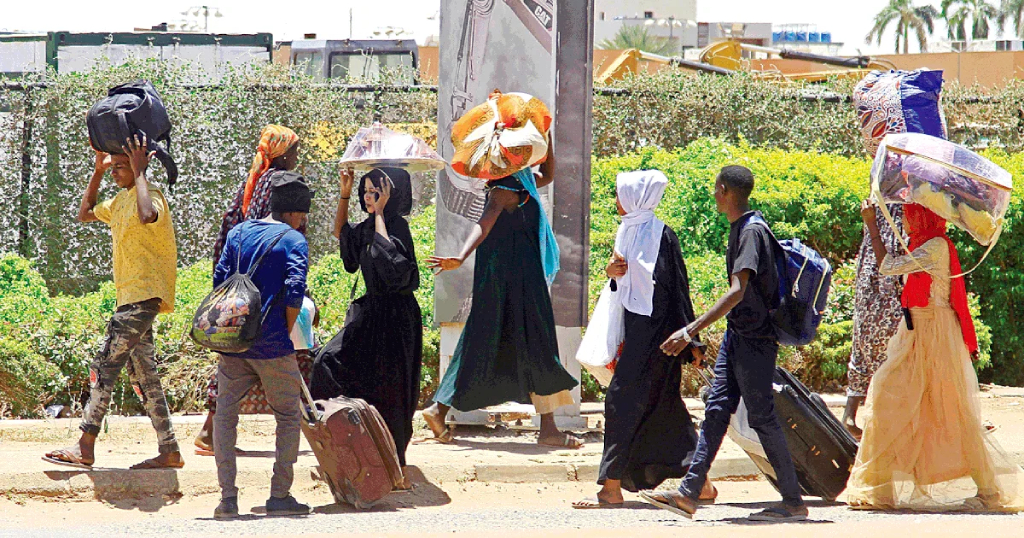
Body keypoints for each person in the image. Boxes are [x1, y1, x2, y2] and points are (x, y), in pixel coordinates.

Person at [641, 165, 807, 521]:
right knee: (716, 411)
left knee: (762, 416)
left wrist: (690, 330)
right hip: (739, 337)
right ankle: (688, 494)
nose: (713, 194)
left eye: (715, 190)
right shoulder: (743, 227)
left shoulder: (750, 231)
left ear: (723, 190)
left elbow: (737, 291)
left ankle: (793, 501)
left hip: (755, 340)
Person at [846, 201, 1024, 511]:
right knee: (890, 400)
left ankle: (989, 491)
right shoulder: (920, 243)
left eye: (913, 214)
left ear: (926, 216)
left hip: (936, 334)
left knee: (953, 412)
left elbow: (888, 266)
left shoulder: (937, 246)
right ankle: (879, 490)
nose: (908, 219)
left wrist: (872, 224)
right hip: (915, 331)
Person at [572, 170, 715, 509]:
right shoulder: (628, 231)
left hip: (660, 339)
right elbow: (622, 288)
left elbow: (678, 291)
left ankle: (610, 488)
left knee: (620, 403)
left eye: (621, 196)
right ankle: (702, 484)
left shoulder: (662, 236)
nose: (617, 203)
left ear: (637, 198)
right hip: (636, 332)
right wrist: (612, 275)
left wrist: (691, 341)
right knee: (665, 408)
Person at [43, 136, 183, 471]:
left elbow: (148, 214)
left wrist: (139, 173)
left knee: (103, 366)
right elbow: (85, 213)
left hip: (144, 297)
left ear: (138, 165)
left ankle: (85, 445)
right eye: (115, 167)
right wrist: (97, 172)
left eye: (122, 167)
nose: (116, 172)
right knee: (144, 376)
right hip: (129, 299)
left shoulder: (151, 197)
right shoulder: (119, 201)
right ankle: (170, 449)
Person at [423, 155, 582, 449]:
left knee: (486, 342)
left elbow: (547, 173)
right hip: (512, 283)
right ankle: (548, 430)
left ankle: (439, 410)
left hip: (516, 281)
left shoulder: (521, 182)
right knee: (538, 345)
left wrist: (544, 134)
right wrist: (460, 255)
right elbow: (484, 224)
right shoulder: (504, 188)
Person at [309, 167, 422, 478]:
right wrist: (345, 193)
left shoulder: (398, 227)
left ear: (392, 194)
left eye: (377, 191)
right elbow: (342, 235)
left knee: (392, 390)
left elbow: (396, 268)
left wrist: (382, 215)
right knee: (327, 362)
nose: (369, 197)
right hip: (370, 315)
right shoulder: (365, 226)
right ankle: (343, 449)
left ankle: (395, 464)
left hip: (397, 320)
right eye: (367, 191)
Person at [211, 173, 313, 519]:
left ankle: (227, 500)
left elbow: (219, 280)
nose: (303, 221)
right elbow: (295, 292)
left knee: (225, 416)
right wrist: (281, 334)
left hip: (233, 344)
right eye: (303, 215)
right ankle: (279, 495)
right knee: (287, 417)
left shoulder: (239, 232)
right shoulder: (293, 240)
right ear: (295, 213)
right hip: (272, 346)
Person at [195, 125, 301, 454]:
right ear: (283, 154)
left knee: (238, 356)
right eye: (295, 150)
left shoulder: (254, 180)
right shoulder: (279, 183)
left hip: (241, 281)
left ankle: (213, 433)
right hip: (267, 282)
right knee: (279, 356)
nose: (298, 156)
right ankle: (307, 437)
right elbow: (283, 232)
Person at [844, 203, 904, 439]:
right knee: (879, 343)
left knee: (864, 339)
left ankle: (853, 412)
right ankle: (869, 418)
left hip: (877, 276)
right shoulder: (891, 210)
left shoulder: (883, 205)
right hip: (882, 278)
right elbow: (887, 264)